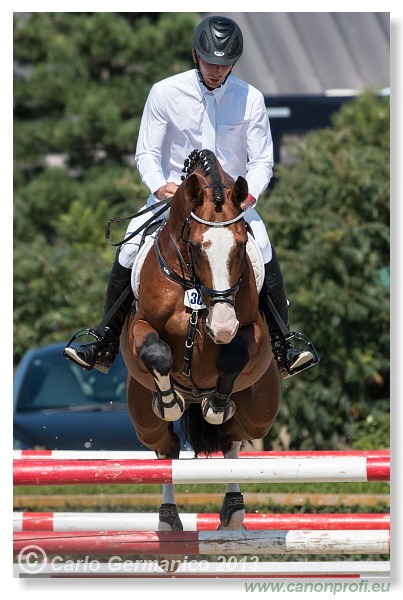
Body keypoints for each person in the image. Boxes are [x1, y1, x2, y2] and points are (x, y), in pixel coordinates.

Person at [64, 15, 316, 378]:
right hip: (174, 200)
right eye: (211, 61)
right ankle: (104, 341)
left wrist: (249, 197)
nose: (217, 70)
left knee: (262, 246)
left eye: (225, 63)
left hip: (229, 207)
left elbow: (262, 161)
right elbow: (146, 153)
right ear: (195, 55)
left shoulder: (251, 99)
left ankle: (283, 345)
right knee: (130, 248)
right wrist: (157, 185)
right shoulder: (165, 92)